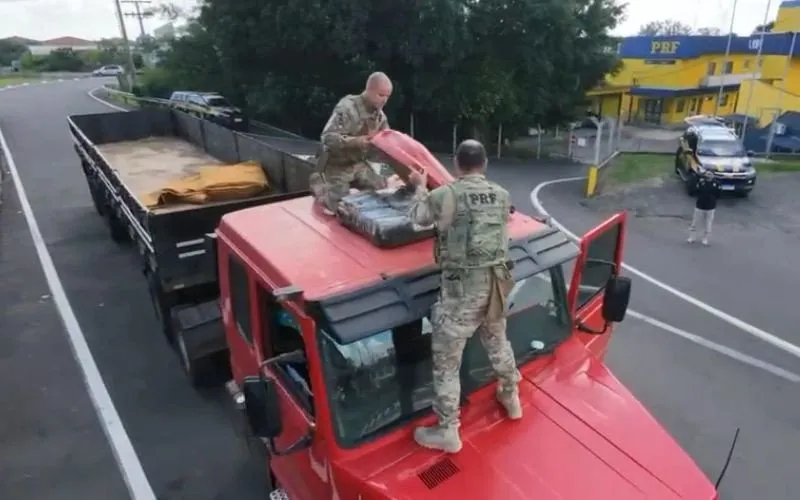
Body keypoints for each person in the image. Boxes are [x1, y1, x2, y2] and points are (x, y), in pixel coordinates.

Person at [406, 139, 521, 454]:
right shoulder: (501, 194)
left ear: (457, 163)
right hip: (496, 286)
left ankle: (448, 431)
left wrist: (419, 186)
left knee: (446, 363)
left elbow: (417, 217)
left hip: (461, 293)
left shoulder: (446, 195)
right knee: (498, 343)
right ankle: (511, 397)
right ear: (484, 164)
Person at [310, 72, 401, 214]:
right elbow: (327, 138)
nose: (384, 101)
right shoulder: (347, 107)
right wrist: (356, 142)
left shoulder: (380, 117)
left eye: (387, 96)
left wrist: (396, 164)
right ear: (369, 90)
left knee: (382, 191)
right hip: (337, 165)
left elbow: (385, 145)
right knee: (338, 208)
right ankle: (319, 185)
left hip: (358, 164)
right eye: (381, 95)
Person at [688, 170, 719, 245]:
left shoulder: (716, 184)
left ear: (713, 176)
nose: (708, 175)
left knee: (708, 224)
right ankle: (692, 237)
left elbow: (718, 194)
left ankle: (705, 238)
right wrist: (695, 181)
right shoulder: (701, 183)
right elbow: (693, 192)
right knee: (695, 223)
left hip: (710, 207)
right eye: (707, 174)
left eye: (710, 174)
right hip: (700, 206)